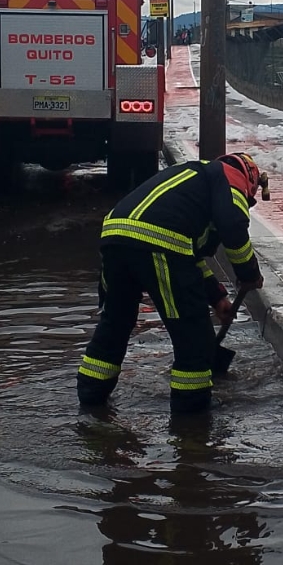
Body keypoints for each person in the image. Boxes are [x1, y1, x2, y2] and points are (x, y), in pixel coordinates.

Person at [77, 152, 268, 413]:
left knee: (115, 323)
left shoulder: (191, 180)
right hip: (159, 241)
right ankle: (191, 423)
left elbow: (192, 258)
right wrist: (249, 274)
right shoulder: (231, 177)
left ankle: (91, 400)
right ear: (251, 179)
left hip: (115, 235)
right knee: (193, 334)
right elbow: (233, 227)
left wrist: (217, 297)